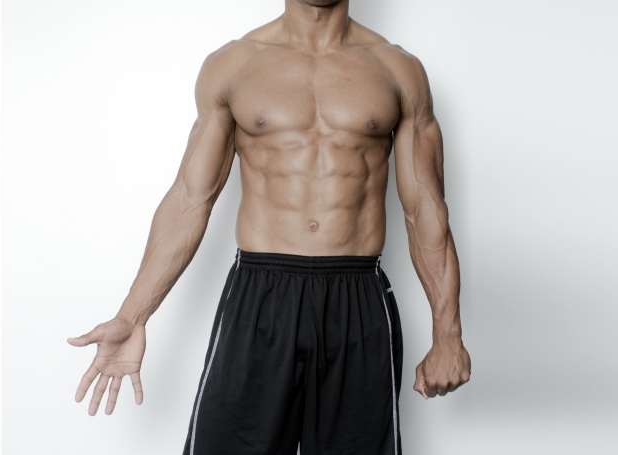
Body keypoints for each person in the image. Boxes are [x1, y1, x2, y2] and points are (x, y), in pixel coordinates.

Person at [67, 0, 471, 453]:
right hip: (260, 297)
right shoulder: (234, 65)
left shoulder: (398, 70)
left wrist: (448, 335)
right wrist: (132, 315)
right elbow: (190, 199)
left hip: (358, 299)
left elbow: (426, 209)